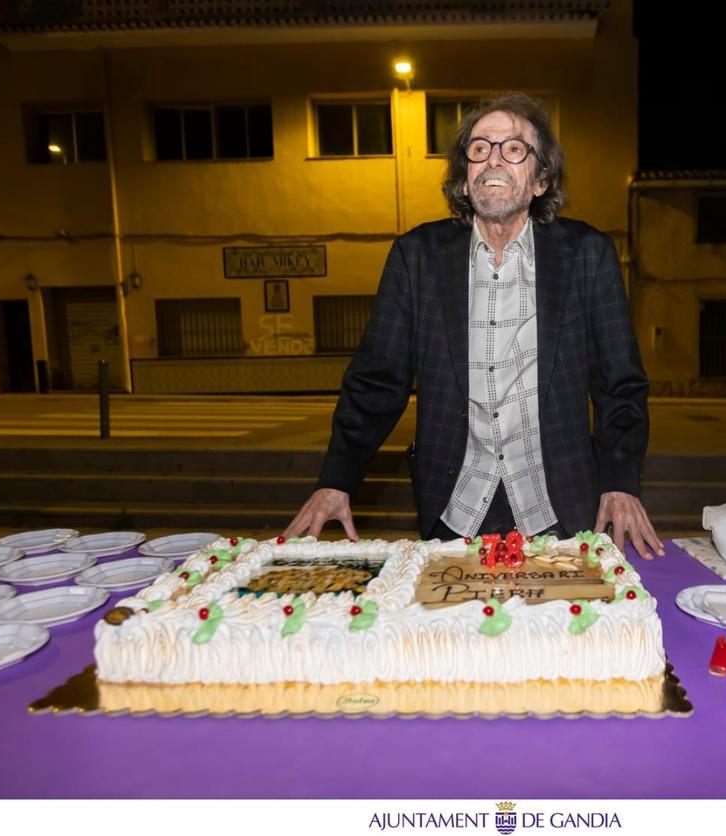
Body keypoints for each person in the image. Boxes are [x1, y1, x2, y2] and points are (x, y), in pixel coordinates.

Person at [284, 93, 664, 559]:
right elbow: (377, 381)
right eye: (480, 148)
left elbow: (620, 386)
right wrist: (336, 479)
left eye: (514, 148)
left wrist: (620, 482)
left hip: (560, 508)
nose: (494, 160)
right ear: (465, 180)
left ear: (541, 179)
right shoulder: (417, 258)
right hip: (453, 510)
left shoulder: (587, 255)